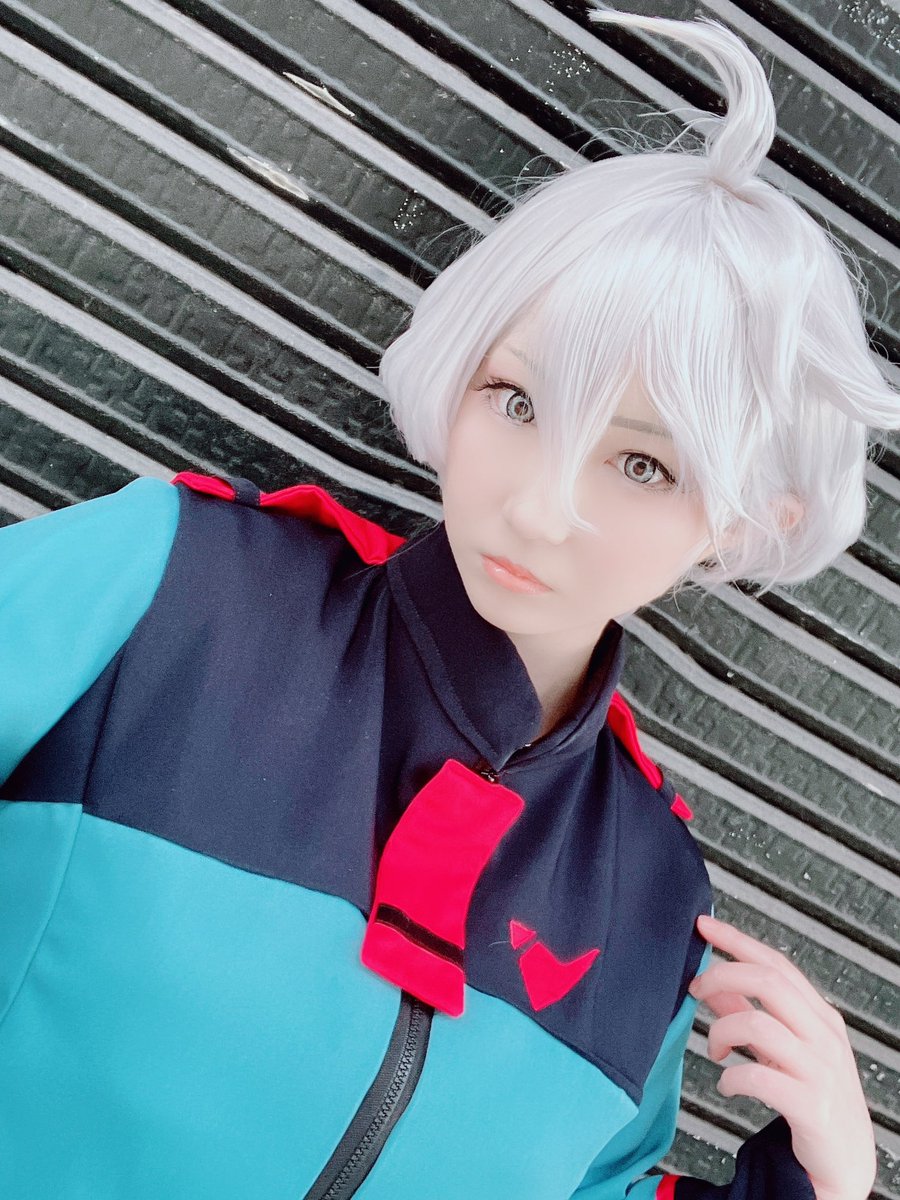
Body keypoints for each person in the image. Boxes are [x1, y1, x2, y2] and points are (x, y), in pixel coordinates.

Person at [0, 7, 894, 1199]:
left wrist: (821, 1183)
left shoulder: (648, 893)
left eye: (642, 465)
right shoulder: (177, 590)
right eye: (517, 402)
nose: (537, 507)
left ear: (743, 520)